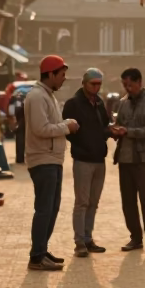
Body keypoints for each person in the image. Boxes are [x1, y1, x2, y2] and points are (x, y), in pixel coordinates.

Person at [24, 54, 79, 271]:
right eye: (61, 75)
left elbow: (51, 124)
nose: (64, 79)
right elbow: (41, 129)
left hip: (53, 159)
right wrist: (67, 127)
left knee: (52, 208)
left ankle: (41, 249)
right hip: (42, 159)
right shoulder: (37, 96)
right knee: (44, 209)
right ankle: (36, 256)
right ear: (50, 74)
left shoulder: (48, 96)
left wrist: (65, 123)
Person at [62, 67, 114, 257]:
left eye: (99, 84)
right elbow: (67, 130)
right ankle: (79, 242)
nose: (96, 87)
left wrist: (112, 132)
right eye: (93, 84)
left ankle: (88, 238)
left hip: (99, 159)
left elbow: (103, 126)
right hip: (83, 159)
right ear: (84, 83)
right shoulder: (73, 104)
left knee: (93, 202)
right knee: (82, 202)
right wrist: (83, 144)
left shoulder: (99, 103)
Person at [114, 67, 145, 253]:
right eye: (125, 85)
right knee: (128, 200)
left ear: (139, 82)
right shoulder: (122, 103)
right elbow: (120, 125)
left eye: (130, 84)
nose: (128, 88)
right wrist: (116, 131)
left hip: (144, 159)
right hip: (125, 158)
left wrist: (130, 132)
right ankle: (135, 238)